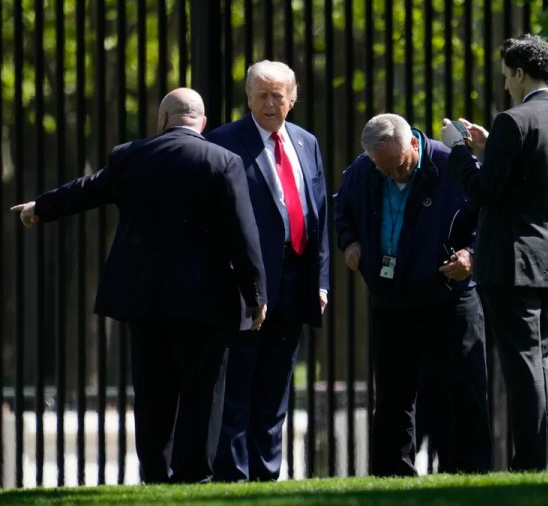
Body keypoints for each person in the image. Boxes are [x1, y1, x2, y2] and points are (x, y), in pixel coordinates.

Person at [10, 88, 267, 483]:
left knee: (152, 392)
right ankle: (193, 473)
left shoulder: (130, 156)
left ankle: (154, 473)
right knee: (202, 393)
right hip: (205, 300)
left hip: (144, 298)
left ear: (162, 120)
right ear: (202, 121)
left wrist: (40, 208)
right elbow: (243, 233)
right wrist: (255, 294)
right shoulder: (223, 161)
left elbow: (86, 189)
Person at [440, 34, 548, 471]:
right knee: (539, 360)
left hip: (512, 262)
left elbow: (485, 190)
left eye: (507, 75)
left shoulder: (513, 120)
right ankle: (541, 455)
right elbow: (527, 177)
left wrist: (459, 151)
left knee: (521, 365)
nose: (505, 84)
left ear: (520, 73)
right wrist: (489, 149)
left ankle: (532, 461)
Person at [334, 113, 492, 476]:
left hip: (449, 296)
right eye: (384, 169)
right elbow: (342, 210)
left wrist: (471, 254)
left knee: (466, 390)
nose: (394, 175)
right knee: (392, 396)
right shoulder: (362, 171)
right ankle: (391, 473)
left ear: (414, 145)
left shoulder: (449, 163)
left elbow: (488, 216)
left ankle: (470, 471)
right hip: (391, 298)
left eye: (399, 166)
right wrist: (350, 243)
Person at [206, 60, 330, 482]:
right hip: (247, 284)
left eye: (278, 95)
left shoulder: (306, 142)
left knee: (277, 385)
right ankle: (234, 474)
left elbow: (319, 217)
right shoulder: (224, 141)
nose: (270, 103)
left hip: (297, 282)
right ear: (247, 97)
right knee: (239, 383)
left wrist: (322, 282)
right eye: (262, 94)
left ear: (292, 99)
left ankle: (266, 473)